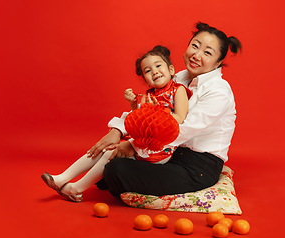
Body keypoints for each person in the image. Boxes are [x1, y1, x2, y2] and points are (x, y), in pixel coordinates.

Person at [90, 22, 242, 197]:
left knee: (115, 169)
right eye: (195, 46)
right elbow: (147, 111)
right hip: (168, 153)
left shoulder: (219, 91)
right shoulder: (178, 77)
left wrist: (134, 145)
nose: (196, 55)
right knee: (108, 154)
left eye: (207, 53)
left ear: (218, 63)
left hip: (197, 165)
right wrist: (117, 130)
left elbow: (182, 129)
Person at [41, 46, 190, 202]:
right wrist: (134, 105)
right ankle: (62, 178)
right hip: (141, 140)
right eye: (147, 70)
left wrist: (158, 111)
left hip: (160, 145)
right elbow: (139, 118)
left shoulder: (178, 90)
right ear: (145, 80)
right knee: (106, 148)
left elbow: (180, 117)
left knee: (110, 153)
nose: (154, 71)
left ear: (171, 69)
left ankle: (76, 189)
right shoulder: (148, 95)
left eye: (158, 66)